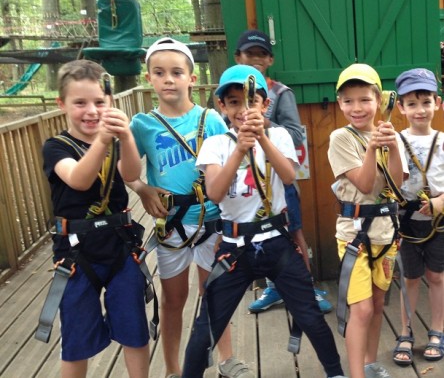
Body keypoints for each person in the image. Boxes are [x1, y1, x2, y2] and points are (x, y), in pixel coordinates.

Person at [182, 64, 346, 378]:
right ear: (222, 106)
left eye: (251, 101)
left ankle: (335, 372)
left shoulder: (279, 135)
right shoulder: (216, 145)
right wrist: (239, 148)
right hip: (234, 250)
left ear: (264, 104)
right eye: (233, 102)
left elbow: (288, 175)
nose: (243, 109)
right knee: (207, 325)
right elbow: (215, 193)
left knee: (310, 315)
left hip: (277, 243)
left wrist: (262, 141)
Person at [128, 38, 252, 378]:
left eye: (176, 72)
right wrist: (140, 188)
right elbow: (125, 169)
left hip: (210, 222)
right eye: (160, 72)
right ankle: (172, 368)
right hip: (172, 227)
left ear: (191, 79)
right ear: (149, 78)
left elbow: (229, 163)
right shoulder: (142, 125)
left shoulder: (210, 120)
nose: (168, 79)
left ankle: (226, 359)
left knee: (216, 295)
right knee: (173, 300)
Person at [41, 59, 150, 378]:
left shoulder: (115, 142)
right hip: (75, 255)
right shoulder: (56, 148)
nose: (91, 111)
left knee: (134, 331)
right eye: (80, 103)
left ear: (110, 103)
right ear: (62, 104)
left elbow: (130, 173)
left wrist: (126, 137)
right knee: (76, 338)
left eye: (99, 103)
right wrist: (102, 141)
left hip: (119, 248)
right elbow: (78, 179)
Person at [234, 29, 333, 314]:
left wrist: (262, 124)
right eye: (249, 54)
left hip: (279, 179)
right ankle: (274, 289)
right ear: (237, 57)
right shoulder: (230, 92)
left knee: (294, 233)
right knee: (261, 235)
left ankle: (307, 287)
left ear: (270, 59)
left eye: (261, 54)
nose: (255, 59)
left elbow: (295, 135)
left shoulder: (279, 93)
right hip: (246, 183)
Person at [328, 63, 408, 378]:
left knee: (376, 307)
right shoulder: (340, 138)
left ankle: (370, 364)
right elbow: (364, 184)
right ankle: (357, 374)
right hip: (354, 237)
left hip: (385, 234)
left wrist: (393, 147)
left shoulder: (392, 136)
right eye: (348, 101)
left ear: (379, 99)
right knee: (359, 310)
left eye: (364, 99)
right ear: (340, 104)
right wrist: (374, 147)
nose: (357, 108)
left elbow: (397, 185)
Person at [392, 68, 444, 365]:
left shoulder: (443, 140)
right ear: (401, 108)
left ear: (437, 103)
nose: (420, 110)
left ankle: (437, 329)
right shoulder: (396, 141)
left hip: (439, 221)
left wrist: (440, 202)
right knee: (410, 278)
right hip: (407, 220)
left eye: (426, 102)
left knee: (436, 276)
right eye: (412, 104)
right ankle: (405, 330)